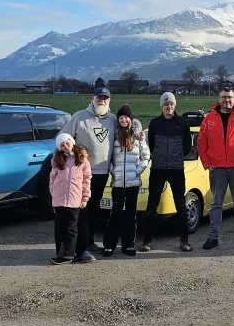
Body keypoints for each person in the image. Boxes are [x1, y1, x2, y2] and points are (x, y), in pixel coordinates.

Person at [60, 87, 142, 254]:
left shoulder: (112, 119)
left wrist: (140, 133)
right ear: (93, 98)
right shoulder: (79, 117)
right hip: (82, 172)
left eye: (105, 98)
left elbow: (128, 127)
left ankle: (89, 242)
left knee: (95, 208)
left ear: (109, 101)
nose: (102, 101)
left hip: (103, 173)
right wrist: (71, 152)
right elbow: (63, 137)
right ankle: (78, 244)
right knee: (82, 207)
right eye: (99, 97)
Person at [198, 87, 234, 250]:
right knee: (216, 204)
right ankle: (213, 238)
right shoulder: (209, 118)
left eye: (230, 97)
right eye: (224, 97)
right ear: (219, 98)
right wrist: (207, 163)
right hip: (217, 170)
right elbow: (202, 142)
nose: (227, 100)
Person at [141, 92, 193, 252]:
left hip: (176, 169)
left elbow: (187, 147)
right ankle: (147, 240)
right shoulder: (155, 123)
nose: (168, 107)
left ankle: (184, 240)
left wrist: (175, 158)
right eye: (165, 104)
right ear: (161, 106)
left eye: (171, 104)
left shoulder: (183, 123)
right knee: (151, 206)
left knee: (181, 206)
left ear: (175, 105)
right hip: (157, 169)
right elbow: (151, 145)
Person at [104, 104, 149, 257]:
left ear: (130, 119)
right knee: (115, 214)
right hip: (117, 183)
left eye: (126, 117)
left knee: (130, 214)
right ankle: (109, 245)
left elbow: (145, 156)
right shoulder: (114, 138)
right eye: (121, 117)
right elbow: (108, 157)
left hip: (133, 183)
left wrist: (137, 171)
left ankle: (128, 245)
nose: (123, 120)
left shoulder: (138, 138)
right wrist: (112, 171)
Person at [49, 133, 95, 264]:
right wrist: (52, 191)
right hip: (59, 198)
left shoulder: (81, 159)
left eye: (66, 143)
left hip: (74, 199)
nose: (65, 146)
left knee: (70, 228)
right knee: (59, 227)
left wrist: (85, 197)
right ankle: (60, 253)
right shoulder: (57, 160)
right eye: (62, 145)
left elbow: (87, 179)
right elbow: (52, 177)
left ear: (72, 142)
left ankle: (68, 254)